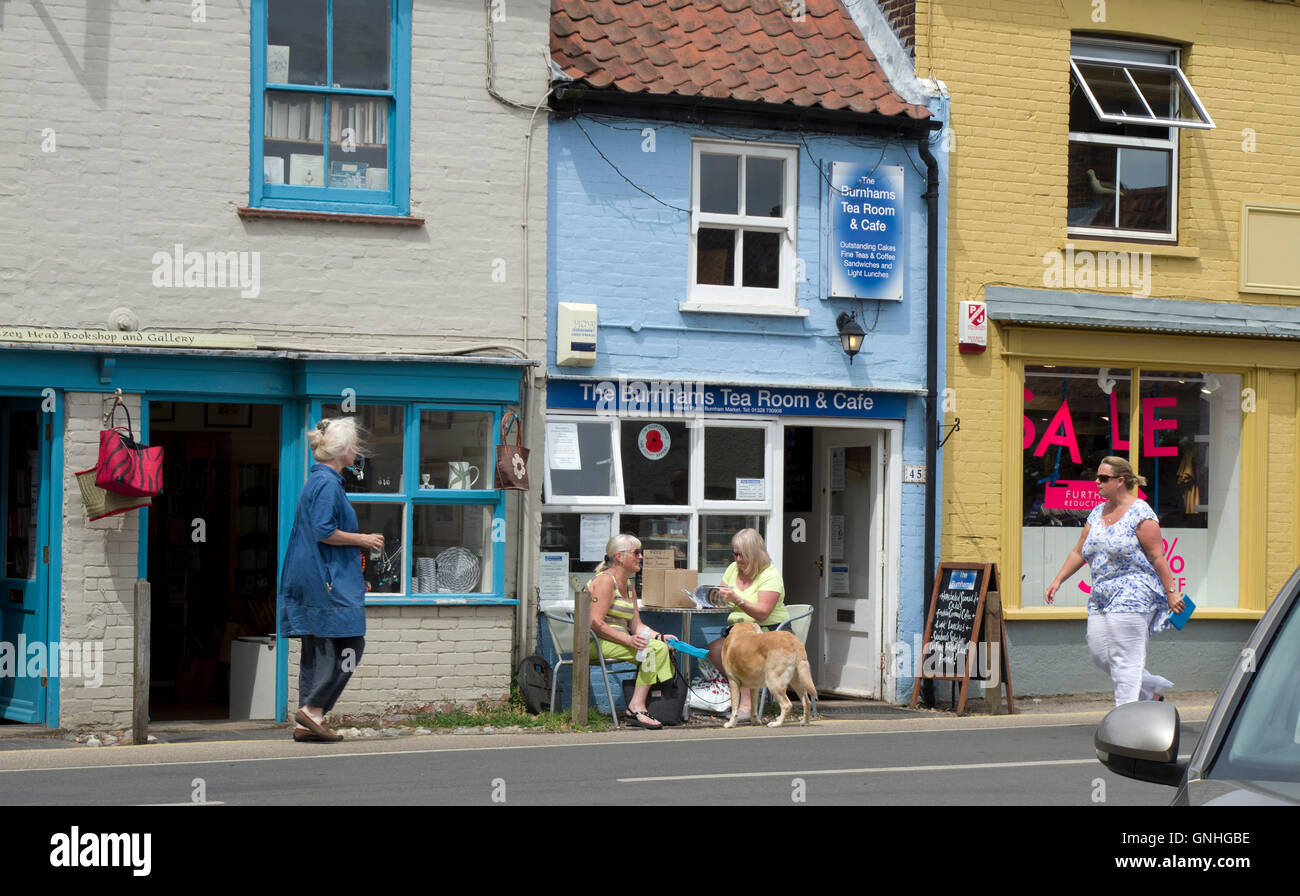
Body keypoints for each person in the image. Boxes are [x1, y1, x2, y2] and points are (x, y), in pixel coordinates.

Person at [278, 417, 385, 742]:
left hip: (315, 577)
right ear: (340, 450)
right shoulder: (326, 484)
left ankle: (305, 721)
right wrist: (363, 539)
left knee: (318, 647)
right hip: (326, 580)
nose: (357, 450)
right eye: (353, 444)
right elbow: (324, 531)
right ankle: (312, 711)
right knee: (349, 644)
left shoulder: (322, 481)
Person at [1046, 456, 1184, 706]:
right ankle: (1151, 690)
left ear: (1121, 481)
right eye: (1097, 477)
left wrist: (1171, 591)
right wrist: (1058, 580)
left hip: (1133, 592)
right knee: (1100, 653)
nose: (1097, 482)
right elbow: (1079, 551)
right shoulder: (1097, 513)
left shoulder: (1141, 513)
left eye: (1103, 478)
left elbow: (1158, 557)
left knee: (1126, 658)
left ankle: (1126, 717)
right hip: (1101, 595)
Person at [587, 534, 678, 729]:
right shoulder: (605, 581)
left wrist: (660, 637)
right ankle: (636, 707)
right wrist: (628, 641)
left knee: (659, 646)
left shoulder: (628, 584)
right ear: (619, 556)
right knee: (653, 651)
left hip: (616, 641)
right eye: (636, 553)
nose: (641, 557)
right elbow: (595, 623)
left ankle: (636, 706)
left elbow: (636, 625)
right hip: (594, 642)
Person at [703, 528, 790, 721]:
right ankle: (739, 692)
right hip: (739, 631)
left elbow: (762, 613)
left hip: (769, 631)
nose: (736, 559)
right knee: (714, 650)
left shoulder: (770, 575)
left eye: (740, 554)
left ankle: (746, 705)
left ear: (753, 554)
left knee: (740, 653)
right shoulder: (733, 569)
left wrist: (737, 599)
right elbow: (722, 594)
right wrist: (715, 597)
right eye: (734, 553)